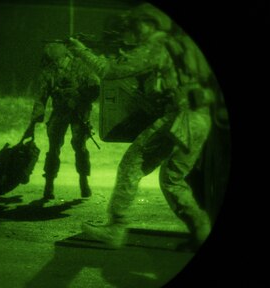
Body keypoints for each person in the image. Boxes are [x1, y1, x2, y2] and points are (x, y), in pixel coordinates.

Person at [68, 3, 216, 250]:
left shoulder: (157, 47)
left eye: (137, 25)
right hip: (200, 118)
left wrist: (81, 51)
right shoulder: (183, 46)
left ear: (150, 24)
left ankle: (116, 228)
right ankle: (201, 229)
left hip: (180, 118)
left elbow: (108, 71)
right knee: (172, 179)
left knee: (131, 166)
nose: (134, 30)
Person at [26, 42, 100, 200]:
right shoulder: (49, 71)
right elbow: (41, 97)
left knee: (79, 146)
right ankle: (49, 184)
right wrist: (34, 121)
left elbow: (95, 88)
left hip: (79, 112)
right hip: (60, 111)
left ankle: (83, 180)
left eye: (57, 60)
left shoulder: (81, 67)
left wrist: (78, 96)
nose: (56, 64)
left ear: (65, 57)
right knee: (53, 148)